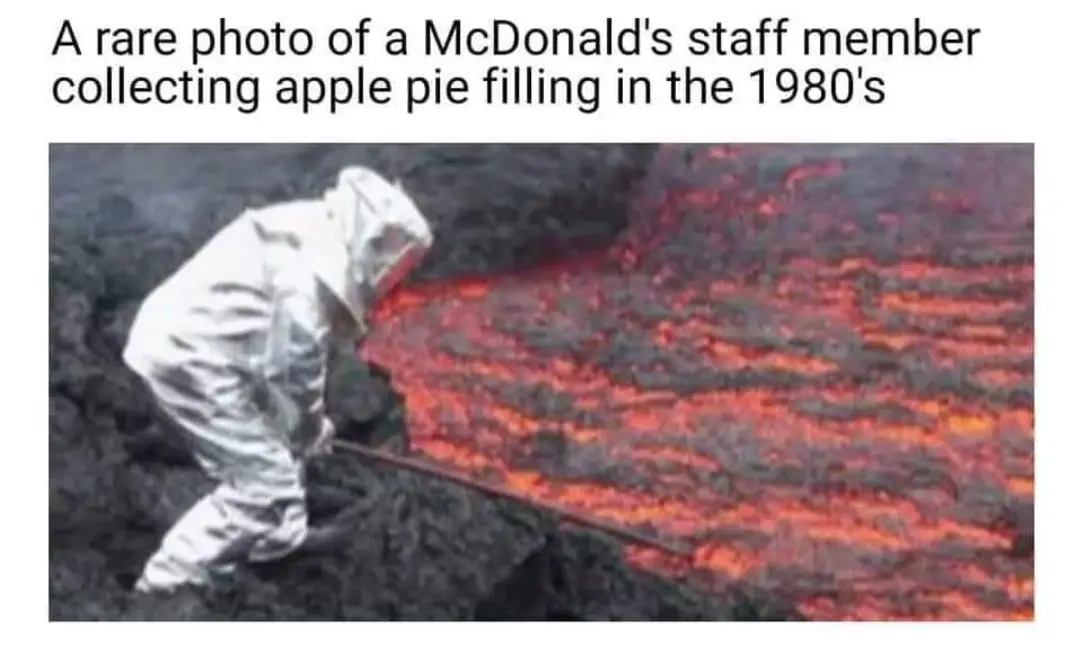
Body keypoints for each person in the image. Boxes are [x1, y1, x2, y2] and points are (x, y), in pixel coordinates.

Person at [121, 166, 434, 593]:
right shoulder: (306, 272)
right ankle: (164, 587)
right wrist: (308, 429)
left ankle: (272, 543)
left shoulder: (303, 227)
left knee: (271, 449)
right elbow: (293, 369)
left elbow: (277, 376)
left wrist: (301, 428)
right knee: (262, 484)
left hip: (200, 350)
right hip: (189, 360)